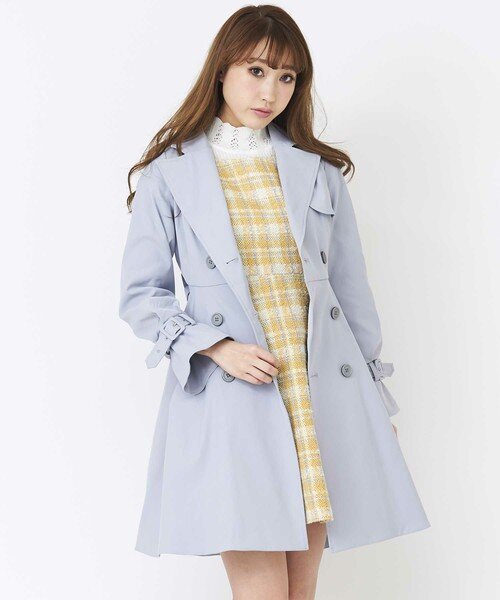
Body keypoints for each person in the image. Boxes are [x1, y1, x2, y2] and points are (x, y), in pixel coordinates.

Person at [119, 5, 430, 598]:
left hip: (314, 394)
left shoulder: (318, 172)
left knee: (299, 592)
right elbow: (141, 295)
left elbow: (350, 293)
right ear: (222, 70)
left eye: (287, 77)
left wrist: (372, 402)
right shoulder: (169, 175)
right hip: (236, 394)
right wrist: (216, 347)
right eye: (257, 71)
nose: (270, 92)